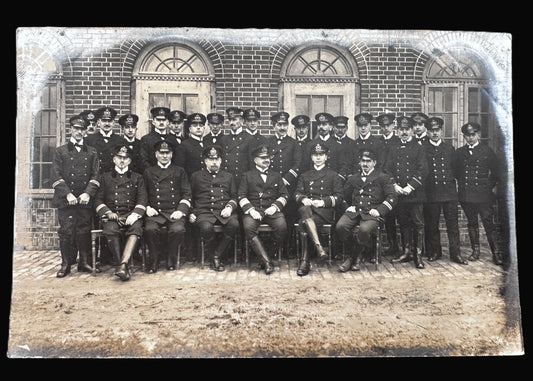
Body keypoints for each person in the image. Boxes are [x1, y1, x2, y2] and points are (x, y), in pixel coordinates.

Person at [51, 115, 101, 277]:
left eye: (82, 129)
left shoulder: (92, 152)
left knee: (84, 230)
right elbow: (55, 175)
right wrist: (67, 194)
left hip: (84, 200)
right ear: (70, 130)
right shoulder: (60, 151)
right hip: (66, 200)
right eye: (76, 129)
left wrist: (88, 193)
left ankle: (83, 262)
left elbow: (96, 175)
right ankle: (65, 264)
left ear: (86, 131)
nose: (79, 132)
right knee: (66, 231)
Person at [336, 149, 397, 272]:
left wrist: (379, 211)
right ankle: (356, 254)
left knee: (363, 230)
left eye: (368, 161)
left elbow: (392, 197)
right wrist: (347, 206)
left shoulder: (383, 177)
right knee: (340, 227)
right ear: (359, 163)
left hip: (372, 213)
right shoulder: (353, 178)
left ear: (374, 163)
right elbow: (342, 195)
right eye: (363, 161)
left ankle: (352, 258)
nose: (365, 164)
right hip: (355, 211)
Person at [453, 122, 503, 265]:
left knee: (488, 223)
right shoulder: (459, 153)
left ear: (478, 135)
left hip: (483, 195)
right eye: (467, 135)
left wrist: (488, 186)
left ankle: (496, 253)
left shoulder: (487, 151)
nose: (470, 138)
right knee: (472, 223)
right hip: (467, 195)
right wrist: (463, 184)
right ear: (464, 136)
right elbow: (456, 172)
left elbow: (496, 172)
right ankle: (475, 251)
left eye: (473, 135)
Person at [94, 145, 147, 280]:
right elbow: (98, 199)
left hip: (131, 215)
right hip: (113, 215)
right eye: (119, 158)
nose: (122, 161)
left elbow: (142, 199)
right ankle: (121, 263)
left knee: (136, 230)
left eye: (125, 158)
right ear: (114, 159)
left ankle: (122, 265)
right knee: (110, 230)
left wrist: (134, 215)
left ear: (129, 161)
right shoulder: (105, 177)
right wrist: (107, 212)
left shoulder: (137, 178)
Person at [422, 117, 468, 265]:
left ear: (441, 131)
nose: (434, 133)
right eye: (431, 131)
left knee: (452, 225)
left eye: (437, 130)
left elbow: (456, 169)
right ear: (427, 132)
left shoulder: (449, 148)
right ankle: (435, 252)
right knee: (432, 224)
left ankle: (456, 254)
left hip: (448, 191)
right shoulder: (423, 149)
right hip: (432, 192)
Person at [385, 115, 428, 269]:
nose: (404, 132)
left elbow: (423, 170)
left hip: (414, 193)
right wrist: (395, 185)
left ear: (411, 130)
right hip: (399, 193)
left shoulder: (419, 147)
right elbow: (387, 169)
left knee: (417, 223)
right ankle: (406, 251)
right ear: (397, 131)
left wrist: (410, 186)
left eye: (407, 129)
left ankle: (418, 254)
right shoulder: (394, 148)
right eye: (401, 129)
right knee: (403, 223)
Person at [238, 145, 289, 275]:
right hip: (254, 210)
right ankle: (267, 262)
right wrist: (251, 210)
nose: (266, 160)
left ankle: (266, 257)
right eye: (262, 158)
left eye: (268, 157)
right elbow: (241, 196)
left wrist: (275, 207)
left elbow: (284, 195)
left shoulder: (276, 175)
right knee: (249, 228)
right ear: (255, 160)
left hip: (271, 210)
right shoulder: (247, 175)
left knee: (282, 227)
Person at [294, 143, 343, 276]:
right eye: (315, 155)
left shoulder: (333, 175)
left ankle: (305, 261)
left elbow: (339, 197)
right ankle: (318, 249)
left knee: (303, 222)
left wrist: (322, 202)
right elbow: (297, 193)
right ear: (311, 157)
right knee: (304, 210)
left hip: (323, 212)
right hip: (309, 211)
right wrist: (304, 199)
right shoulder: (305, 175)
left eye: (321, 155)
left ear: (326, 157)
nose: (318, 158)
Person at [143, 140, 192, 273]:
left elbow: (187, 193)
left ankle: (171, 258)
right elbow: (143, 193)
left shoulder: (179, 171)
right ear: (156, 154)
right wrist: (147, 207)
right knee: (150, 229)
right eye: (161, 153)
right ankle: (154, 259)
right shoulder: (148, 171)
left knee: (178, 230)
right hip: (155, 212)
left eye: (167, 153)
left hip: (173, 211)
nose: (164, 156)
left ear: (171, 155)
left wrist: (181, 211)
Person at [189, 145, 240, 271]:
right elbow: (189, 197)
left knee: (234, 224)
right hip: (204, 212)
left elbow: (234, 197)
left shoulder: (228, 176)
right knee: (206, 228)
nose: (214, 162)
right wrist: (191, 212)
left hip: (223, 211)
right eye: (211, 159)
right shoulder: (196, 176)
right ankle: (215, 257)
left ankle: (216, 255)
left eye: (217, 159)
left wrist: (229, 207)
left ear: (221, 160)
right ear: (205, 161)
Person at [266, 111, 302, 256]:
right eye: (279, 124)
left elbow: (297, 164)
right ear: (273, 126)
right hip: (271, 187)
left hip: (289, 187)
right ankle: (274, 249)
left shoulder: (293, 143)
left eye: (284, 124)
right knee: (273, 216)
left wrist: (286, 180)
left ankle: (288, 249)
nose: (282, 127)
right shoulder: (268, 143)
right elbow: (265, 164)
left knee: (289, 216)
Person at [376, 113, 401, 257]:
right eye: (383, 126)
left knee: (396, 216)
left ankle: (397, 246)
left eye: (388, 125)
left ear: (393, 126)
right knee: (383, 215)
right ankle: (385, 246)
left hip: (394, 183)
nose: (385, 128)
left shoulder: (398, 141)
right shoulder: (377, 142)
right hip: (379, 184)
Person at [301, 112, 345, 178]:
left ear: (331, 127)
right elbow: (305, 167)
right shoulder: (310, 145)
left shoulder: (337, 146)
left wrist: (336, 181)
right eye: (319, 124)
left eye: (324, 124)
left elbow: (343, 167)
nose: (321, 127)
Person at [86, 106, 126, 174]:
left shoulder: (121, 140)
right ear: (98, 122)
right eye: (104, 121)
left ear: (113, 123)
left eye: (109, 121)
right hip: (96, 176)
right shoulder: (89, 140)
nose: (107, 124)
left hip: (113, 177)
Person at [140, 107, 181, 171]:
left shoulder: (173, 139)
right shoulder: (146, 139)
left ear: (167, 122)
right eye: (158, 120)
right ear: (153, 122)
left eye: (164, 120)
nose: (161, 122)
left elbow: (177, 159)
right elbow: (143, 160)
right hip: (152, 176)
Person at [220, 107, 253, 186]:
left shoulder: (249, 138)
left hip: (242, 181)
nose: (231, 122)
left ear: (241, 121)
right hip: (227, 181)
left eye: (234, 120)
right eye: (230, 120)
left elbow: (252, 164)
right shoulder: (224, 139)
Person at [177, 112, 207, 178]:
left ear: (204, 128)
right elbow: (180, 170)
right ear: (190, 129)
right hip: (191, 183)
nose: (198, 128)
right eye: (195, 125)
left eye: (201, 125)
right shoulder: (184, 146)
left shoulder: (208, 143)